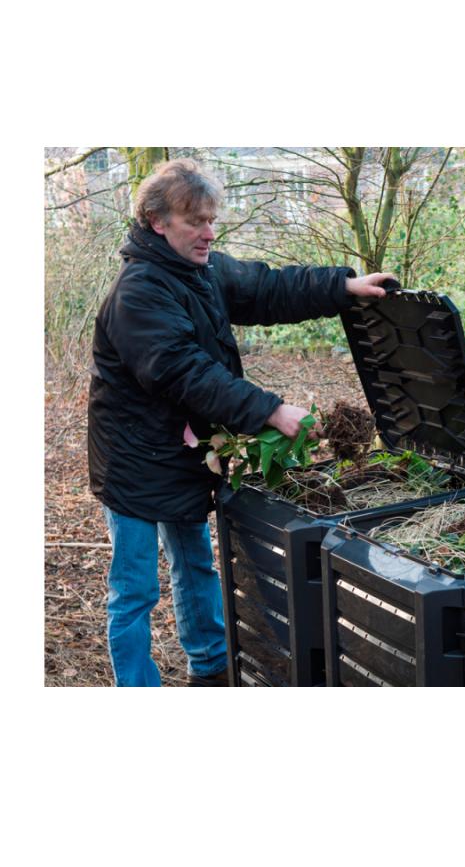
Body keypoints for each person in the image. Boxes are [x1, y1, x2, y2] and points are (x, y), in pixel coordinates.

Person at [88, 158, 392, 687]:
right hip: (134, 461)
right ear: (158, 222)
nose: (209, 233)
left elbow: (267, 288)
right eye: (195, 222)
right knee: (135, 590)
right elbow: (185, 372)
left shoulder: (200, 270)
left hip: (184, 452)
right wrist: (270, 410)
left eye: (211, 220)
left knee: (196, 565)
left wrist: (344, 287)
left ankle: (210, 669)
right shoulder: (138, 292)